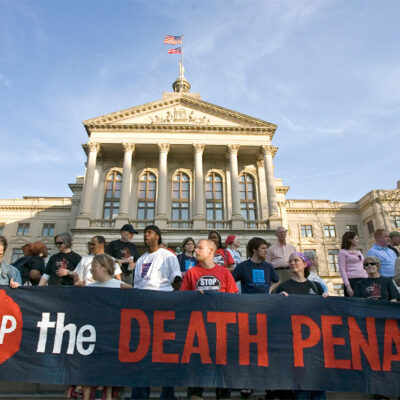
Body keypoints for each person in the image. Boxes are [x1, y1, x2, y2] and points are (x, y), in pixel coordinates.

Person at [180, 239, 238, 400]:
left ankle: (223, 395)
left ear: (211, 251)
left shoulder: (225, 272)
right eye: (196, 248)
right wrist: (192, 297)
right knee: (197, 367)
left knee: (222, 366)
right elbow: (181, 299)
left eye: (200, 248)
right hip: (197, 330)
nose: (196, 250)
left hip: (221, 329)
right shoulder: (192, 273)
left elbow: (234, 298)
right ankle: (195, 394)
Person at [67, 254, 129, 400]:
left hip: (110, 344)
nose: (91, 270)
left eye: (94, 266)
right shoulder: (89, 288)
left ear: (104, 267)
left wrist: (129, 293)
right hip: (89, 342)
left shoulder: (119, 287)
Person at [131, 225, 181, 400]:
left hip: (163, 306)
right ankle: (139, 394)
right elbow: (137, 284)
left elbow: (177, 281)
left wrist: (169, 302)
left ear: (157, 237)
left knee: (165, 353)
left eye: (149, 233)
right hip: (142, 308)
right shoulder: (142, 259)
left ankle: (168, 394)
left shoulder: (167, 256)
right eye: (145, 233)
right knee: (140, 353)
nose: (146, 236)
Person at [276, 252, 327, 400]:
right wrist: (280, 301)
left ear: (305, 264)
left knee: (319, 380)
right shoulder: (283, 288)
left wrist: (326, 301)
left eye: (296, 260)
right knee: (301, 383)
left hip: (316, 341)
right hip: (295, 341)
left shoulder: (317, 287)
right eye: (290, 261)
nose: (292, 263)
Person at [338, 231, 367, 297]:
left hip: (364, 279)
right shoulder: (343, 252)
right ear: (350, 240)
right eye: (356, 239)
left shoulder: (359, 252)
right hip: (352, 281)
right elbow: (342, 269)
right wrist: (348, 286)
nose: (358, 240)